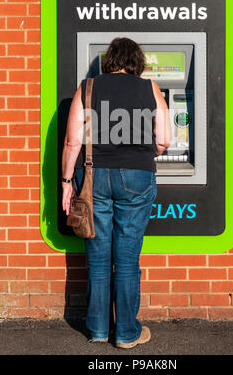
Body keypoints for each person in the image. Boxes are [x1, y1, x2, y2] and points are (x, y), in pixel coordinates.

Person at [61, 37, 171, 349]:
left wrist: (67, 183)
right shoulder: (150, 89)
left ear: (109, 60)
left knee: (97, 256)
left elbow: (72, 142)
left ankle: (97, 328)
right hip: (137, 177)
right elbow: (163, 140)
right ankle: (126, 334)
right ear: (137, 62)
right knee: (126, 258)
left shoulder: (89, 87)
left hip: (94, 177)